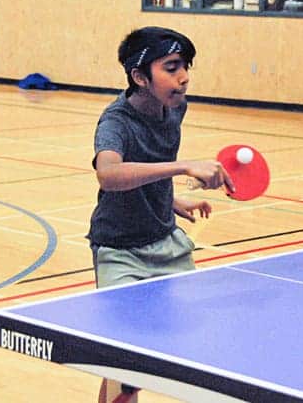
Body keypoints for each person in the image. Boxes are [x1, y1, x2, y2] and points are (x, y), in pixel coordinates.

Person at [87, 26, 234, 403]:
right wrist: (183, 168)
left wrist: (170, 201)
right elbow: (110, 174)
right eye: (171, 67)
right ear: (139, 76)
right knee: (125, 365)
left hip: (166, 243)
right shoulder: (115, 123)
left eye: (185, 66)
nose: (183, 77)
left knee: (204, 348)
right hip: (120, 250)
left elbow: (151, 165)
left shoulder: (174, 109)